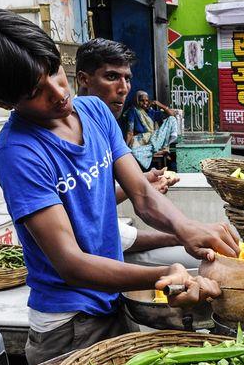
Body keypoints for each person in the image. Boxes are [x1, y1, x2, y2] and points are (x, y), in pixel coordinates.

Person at [0, 9, 238, 365]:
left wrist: (188, 229)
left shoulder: (95, 112)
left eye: (55, 72)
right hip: (68, 324)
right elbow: (72, 264)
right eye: (36, 90)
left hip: (111, 300)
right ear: (2, 101)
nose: (59, 93)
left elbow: (143, 195)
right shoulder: (19, 154)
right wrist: (161, 275)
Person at [75, 38, 198, 270]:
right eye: (112, 77)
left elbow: (112, 196)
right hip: (94, 254)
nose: (123, 88)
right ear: (83, 79)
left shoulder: (104, 121)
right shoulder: (69, 133)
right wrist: (182, 233)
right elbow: (85, 215)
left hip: (110, 237)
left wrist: (140, 184)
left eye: (127, 78)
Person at [125, 90, 181, 170]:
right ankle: (160, 149)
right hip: (141, 140)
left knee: (171, 119)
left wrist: (159, 104)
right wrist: (126, 147)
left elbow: (172, 114)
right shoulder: (133, 111)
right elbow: (130, 132)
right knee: (134, 151)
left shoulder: (151, 112)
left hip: (154, 139)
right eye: (142, 100)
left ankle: (161, 147)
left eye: (147, 100)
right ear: (137, 100)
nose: (145, 103)